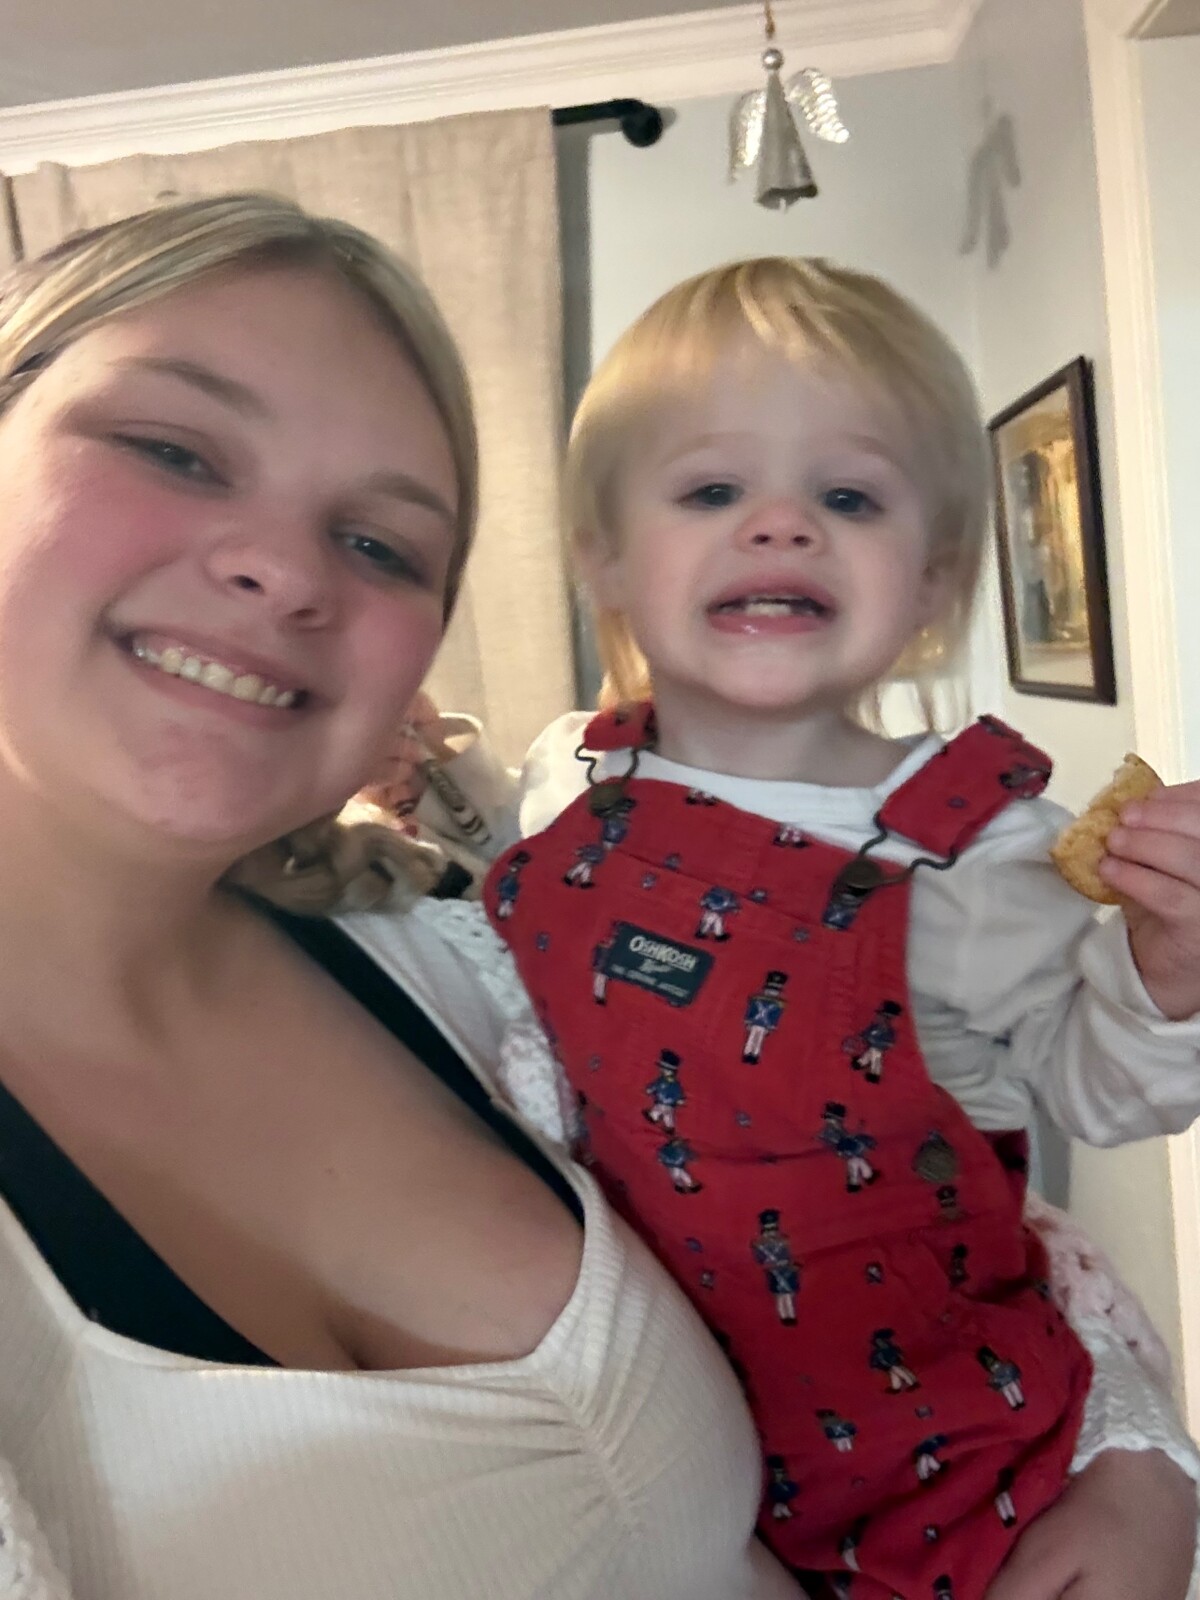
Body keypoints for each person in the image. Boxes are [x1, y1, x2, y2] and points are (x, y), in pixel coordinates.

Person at [0, 201, 1191, 1600]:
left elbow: (921, 1164)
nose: (287, 570)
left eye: (381, 542)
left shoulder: (445, 966)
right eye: (174, 449)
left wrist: (1127, 1446)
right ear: (603, 560)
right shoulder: (575, 789)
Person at [380, 259, 1200, 1600]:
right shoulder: (574, 774)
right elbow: (510, 940)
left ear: (931, 580)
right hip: (664, 1442)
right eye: (712, 491)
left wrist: (1166, 970)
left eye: (849, 498)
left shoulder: (980, 847)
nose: (780, 527)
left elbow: (1098, 1090)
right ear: (604, 557)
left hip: (947, 1478)